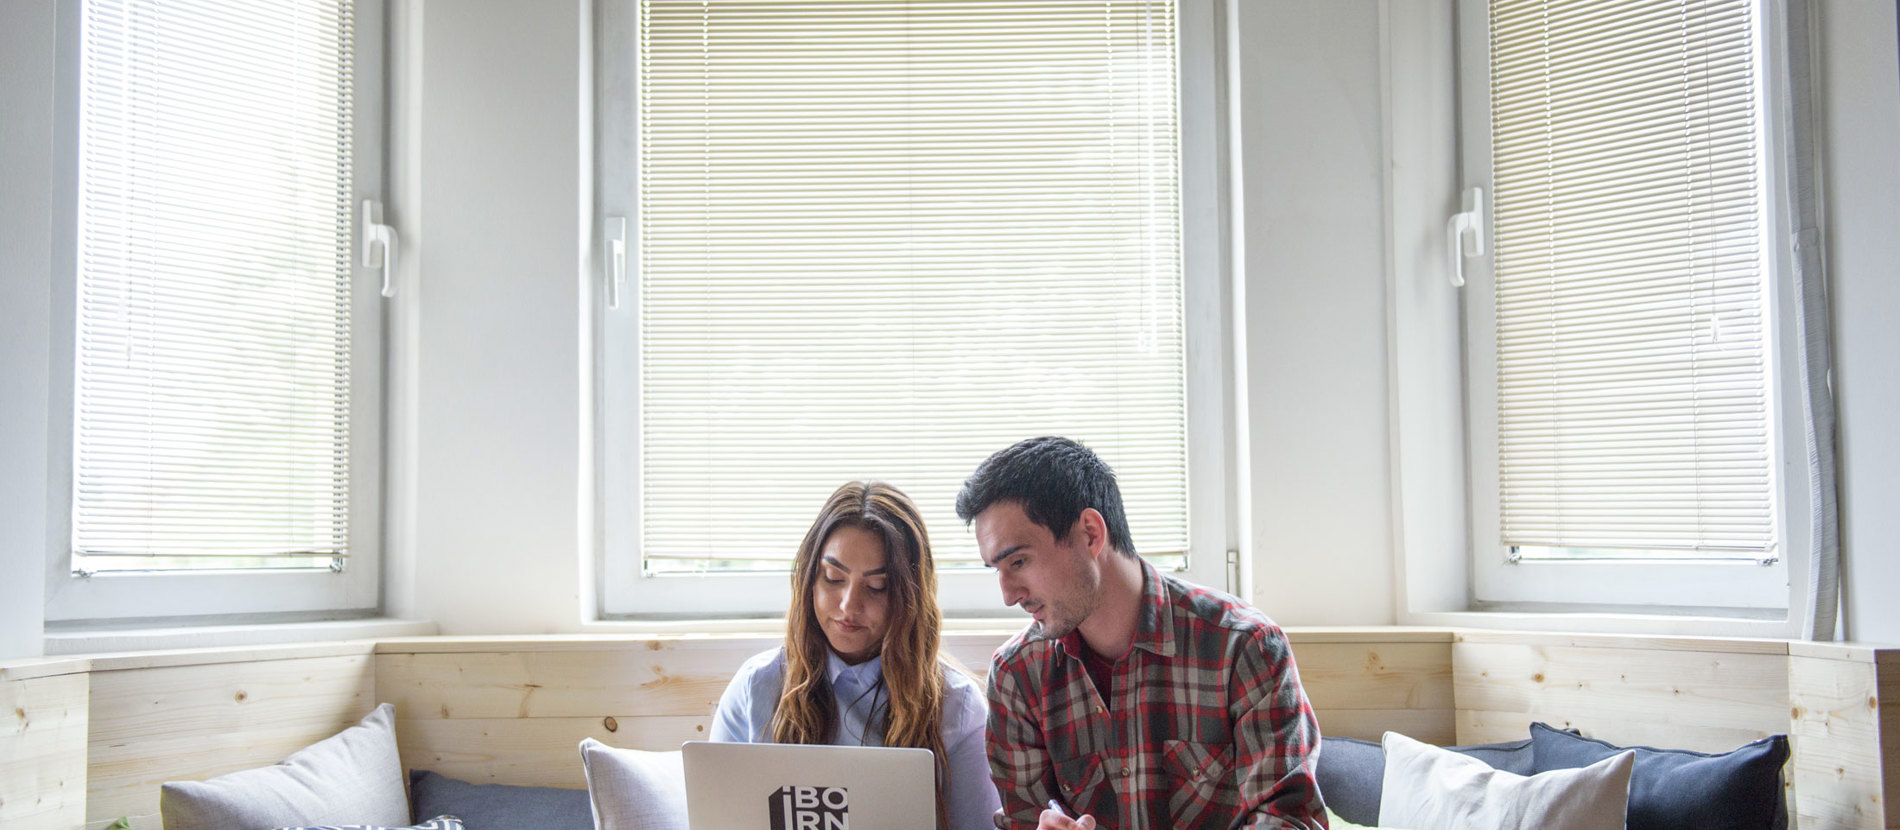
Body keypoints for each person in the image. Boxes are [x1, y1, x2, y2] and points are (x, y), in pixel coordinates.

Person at [957, 437, 1326, 830]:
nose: (1009, 594)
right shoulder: (1018, 675)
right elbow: (1022, 821)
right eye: (996, 569)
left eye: (1019, 561)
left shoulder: (1244, 647)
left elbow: (1288, 821)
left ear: (1090, 534)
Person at [710, 480, 1002, 830]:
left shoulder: (958, 706)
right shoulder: (757, 685)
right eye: (833, 578)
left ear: (909, 597)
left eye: (876, 587)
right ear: (809, 580)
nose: (849, 606)